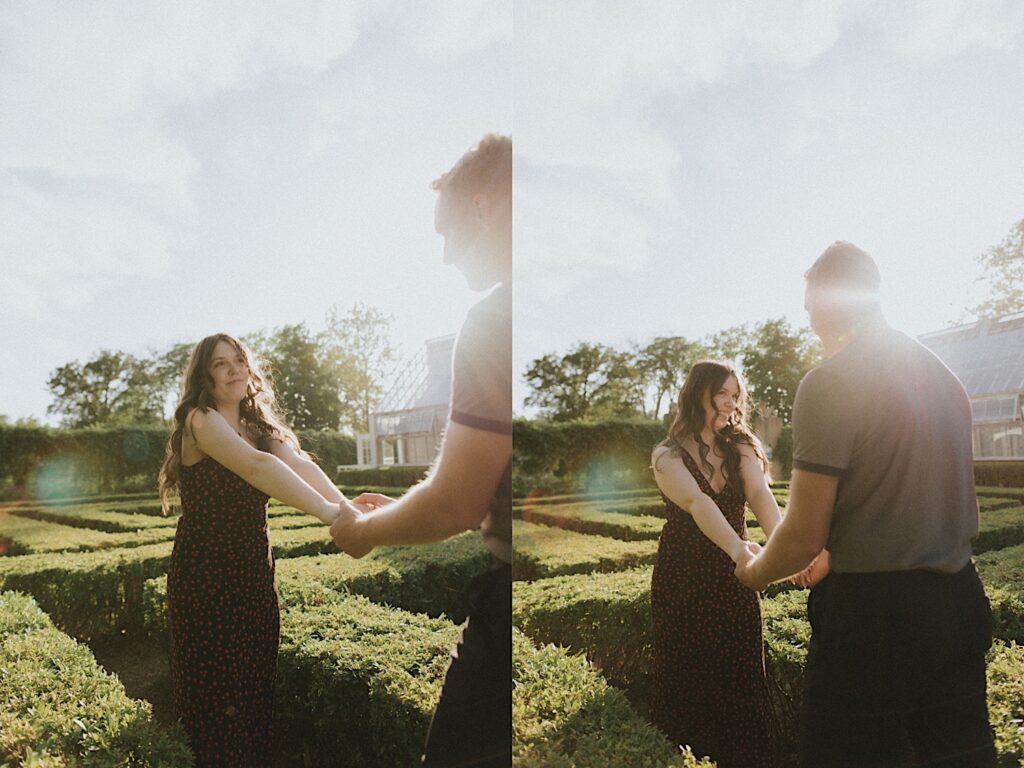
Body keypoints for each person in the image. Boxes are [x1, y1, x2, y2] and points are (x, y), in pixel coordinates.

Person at [735, 241, 996, 767]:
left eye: (810, 304)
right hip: (960, 601)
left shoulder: (830, 381)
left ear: (832, 300)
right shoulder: (946, 380)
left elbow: (806, 535)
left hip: (874, 619)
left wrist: (753, 572)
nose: (807, 317)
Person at [329, 133, 512, 768]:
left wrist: (368, 530)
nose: (443, 257)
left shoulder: (494, 321)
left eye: (445, 231)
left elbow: (458, 500)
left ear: (485, 209)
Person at [158, 332, 361, 768]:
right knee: (213, 692)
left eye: (239, 360)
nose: (234, 369)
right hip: (204, 575)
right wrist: (331, 515)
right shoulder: (201, 419)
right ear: (205, 376)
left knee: (253, 684)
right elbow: (257, 467)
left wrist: (349, 510)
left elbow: (299, 464)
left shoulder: (259, 427)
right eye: (220, 364)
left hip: (253, 569)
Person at [650, 360, 793, 768]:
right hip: (683, 578)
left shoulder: (741, 444)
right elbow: (698, 503)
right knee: (686, 676)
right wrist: (738, 549)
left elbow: (761, 497)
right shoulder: (667, 454)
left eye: (735, 396)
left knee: (741, 677)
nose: (731, 405)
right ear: (698, 395)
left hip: (735, 577)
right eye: (721, 395)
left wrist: (783, 547)